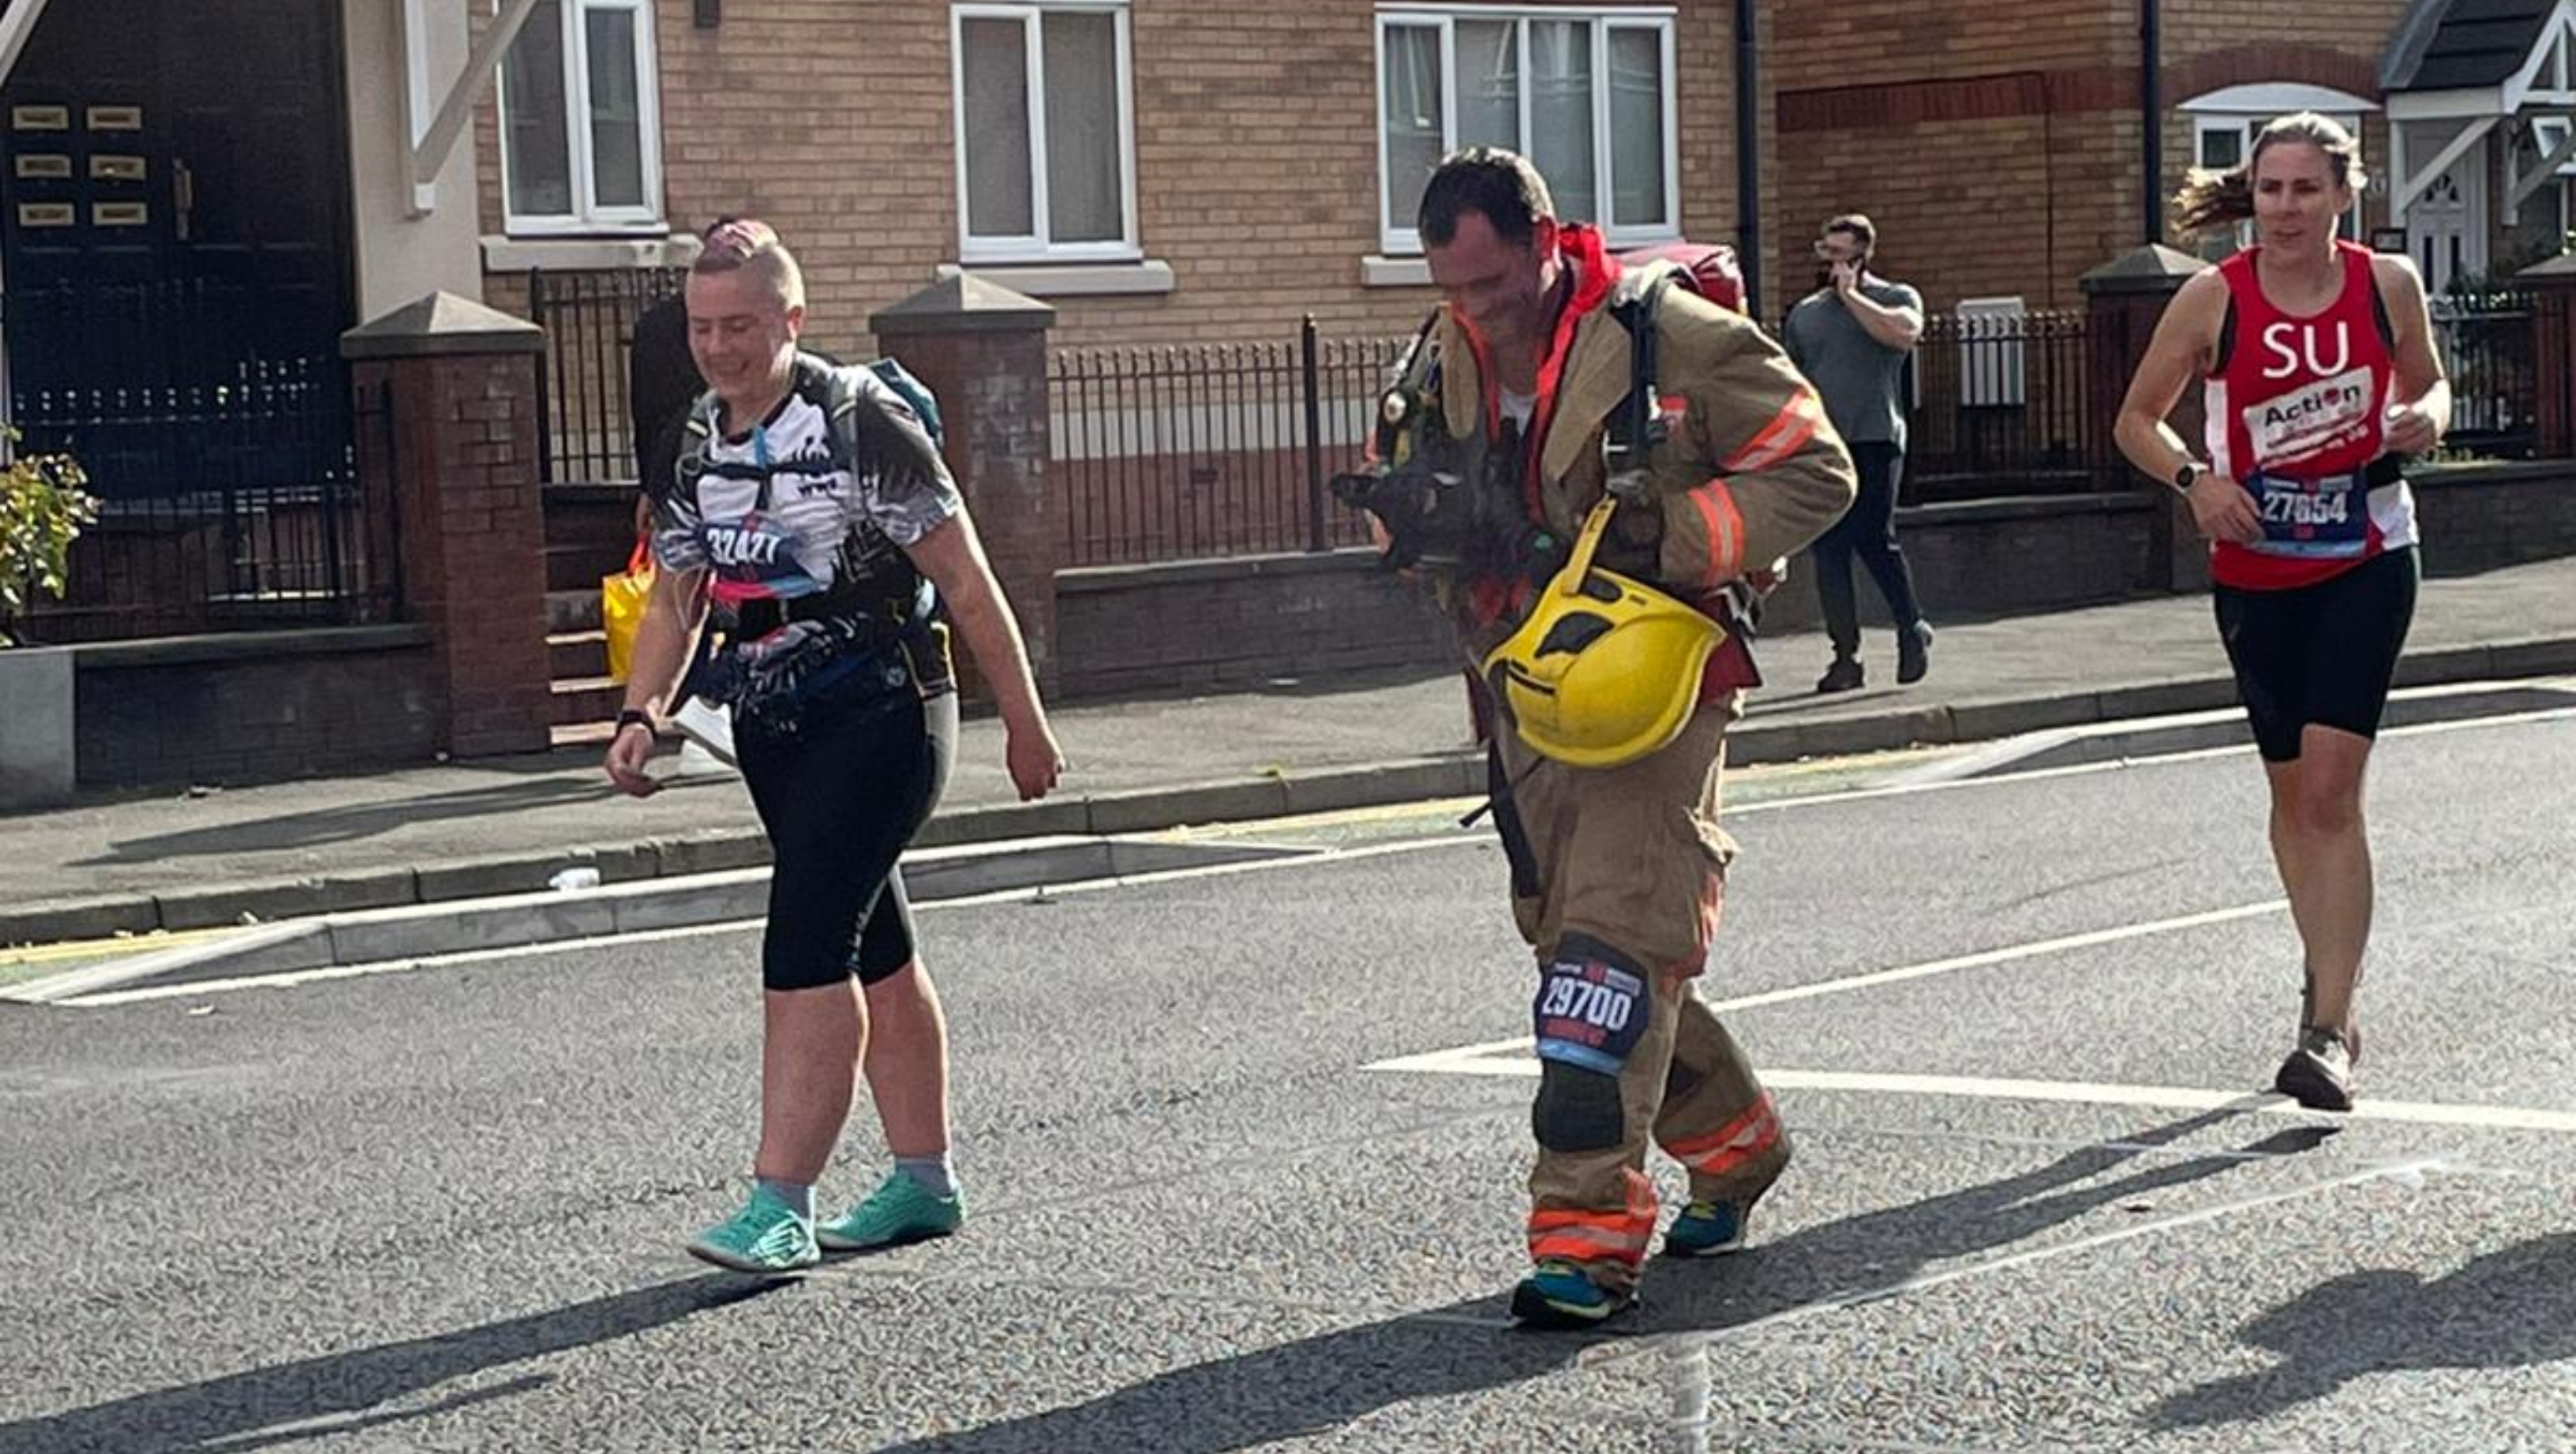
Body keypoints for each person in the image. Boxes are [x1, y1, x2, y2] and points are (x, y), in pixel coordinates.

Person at [1351, 149, 1855, 1328]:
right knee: (1573, 942)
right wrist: (1409, 513)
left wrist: (1668, 539)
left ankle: (1582, 1239)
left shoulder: (1665, 332)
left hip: (1664, 680)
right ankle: (1735, 1145)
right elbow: (1429, 478)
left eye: (1490, 285)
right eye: (1451, 290)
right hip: (1528, 683)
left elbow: (1815, 468)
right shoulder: (1440, 351)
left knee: (1610, 956)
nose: (1473, 312)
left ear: (1541, 241)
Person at [605, 221, 1066, 1273]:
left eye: (741, 326)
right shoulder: (694, 435)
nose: (717, 347)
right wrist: (642, 712)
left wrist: (1026, 722)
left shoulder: (859, 420)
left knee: (806, 938)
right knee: (879, 950)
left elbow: (967, 577)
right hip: (774, 724)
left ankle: (781, 1200)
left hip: (886, 710)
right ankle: (924, 1178)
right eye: (702, 326)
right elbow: (681, 594)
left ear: (791, 319)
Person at [2113, 112, 2444, 1112]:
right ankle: (2325, 964)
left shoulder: (2388, 286)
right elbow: (2135, 420)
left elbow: (2432, 390)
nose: (2286, 209)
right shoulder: (2215, 298)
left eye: (2306, 189)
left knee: (2333, 793)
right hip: (2257, 570)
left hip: (2369, 556)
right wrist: (2195, 481)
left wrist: (2421, 420)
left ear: (2344, 195)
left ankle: (2330, 1030)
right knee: (2294, 795)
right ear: (2249, 196)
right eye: (2270, 190)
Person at [1783, 213, 1934, 692]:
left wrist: (1852, 297)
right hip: (1825, 445)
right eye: (1824, 251)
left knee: (1874, 536)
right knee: (1830, 549)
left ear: (1863, 255)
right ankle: (1844, 656)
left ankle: (1912, 627)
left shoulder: (1894, 298)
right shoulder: (1806, 314)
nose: (1830, 262)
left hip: (1875, 437)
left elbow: (1906, 334)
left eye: (1841, 253)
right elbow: (1794, 378)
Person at [627, 220, 736, 769]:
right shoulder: (675, 331)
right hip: (705, 468)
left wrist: (650, 484)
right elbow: (657, 411)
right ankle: (704, 701)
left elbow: (645, 415)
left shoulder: (653, 326)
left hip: (677, 468)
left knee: (695, 597)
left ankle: (701, 703)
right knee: (701, 596)